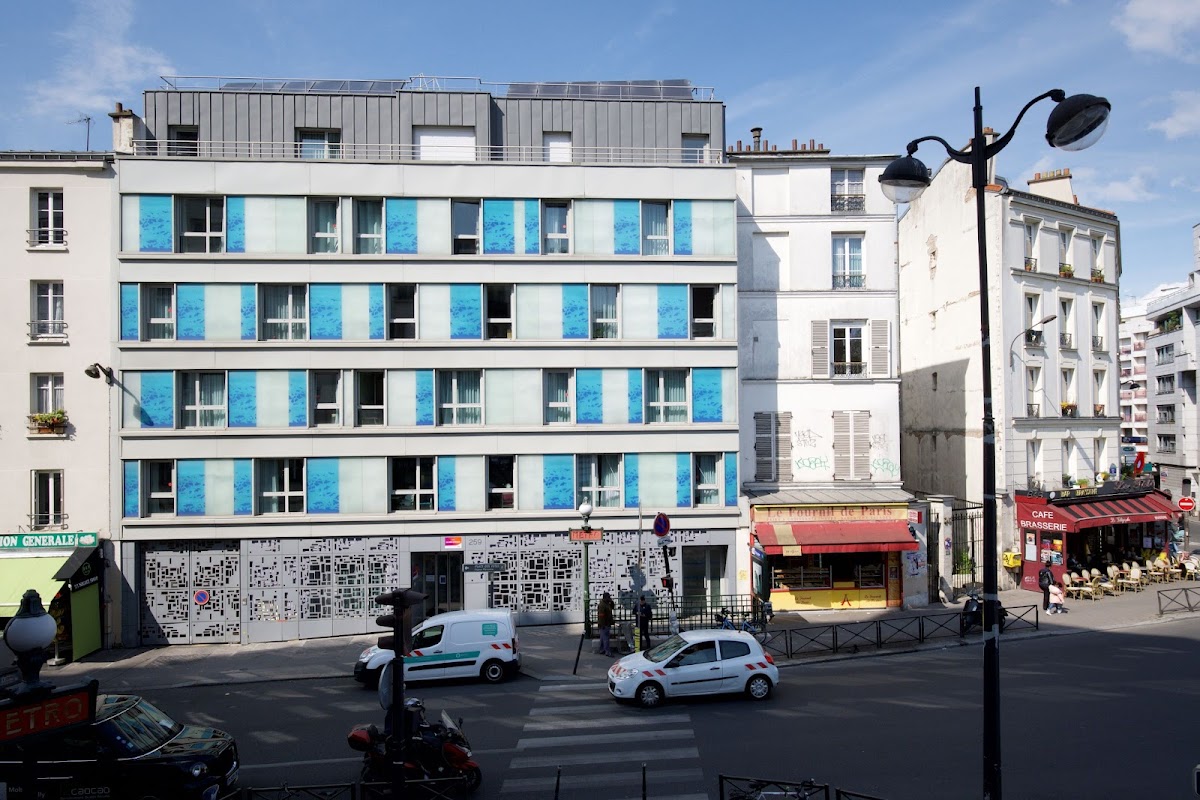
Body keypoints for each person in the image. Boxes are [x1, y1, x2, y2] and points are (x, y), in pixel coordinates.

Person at [597, 591, 615, 656]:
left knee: (603, 638)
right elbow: (601, 616)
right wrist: (602, 624)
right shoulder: (602, 605)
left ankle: (602, 650)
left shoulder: (607, 603)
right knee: (606, 639)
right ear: (605, 598)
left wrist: (611, 602)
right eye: (608, 597)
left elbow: (612, 607)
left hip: (607, 623)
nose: (609, 598)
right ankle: (607, 651)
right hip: (605, 624)